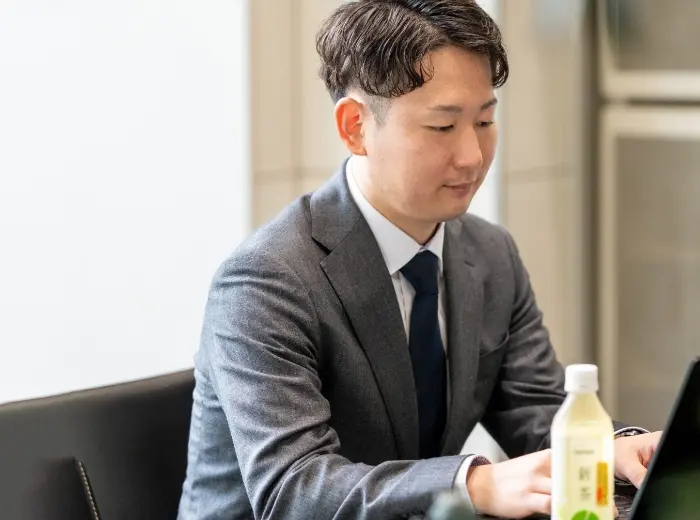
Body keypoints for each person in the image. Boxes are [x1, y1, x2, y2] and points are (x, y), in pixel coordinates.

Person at [177, 1, 660, 519]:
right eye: (442, 127)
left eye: (485, 120)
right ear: (355, 127)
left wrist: (609, 449)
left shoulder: (489, 253)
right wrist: (473, 482)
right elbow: (293, 490)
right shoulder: (267, 279)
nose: (473, 156)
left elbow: (533, 411)